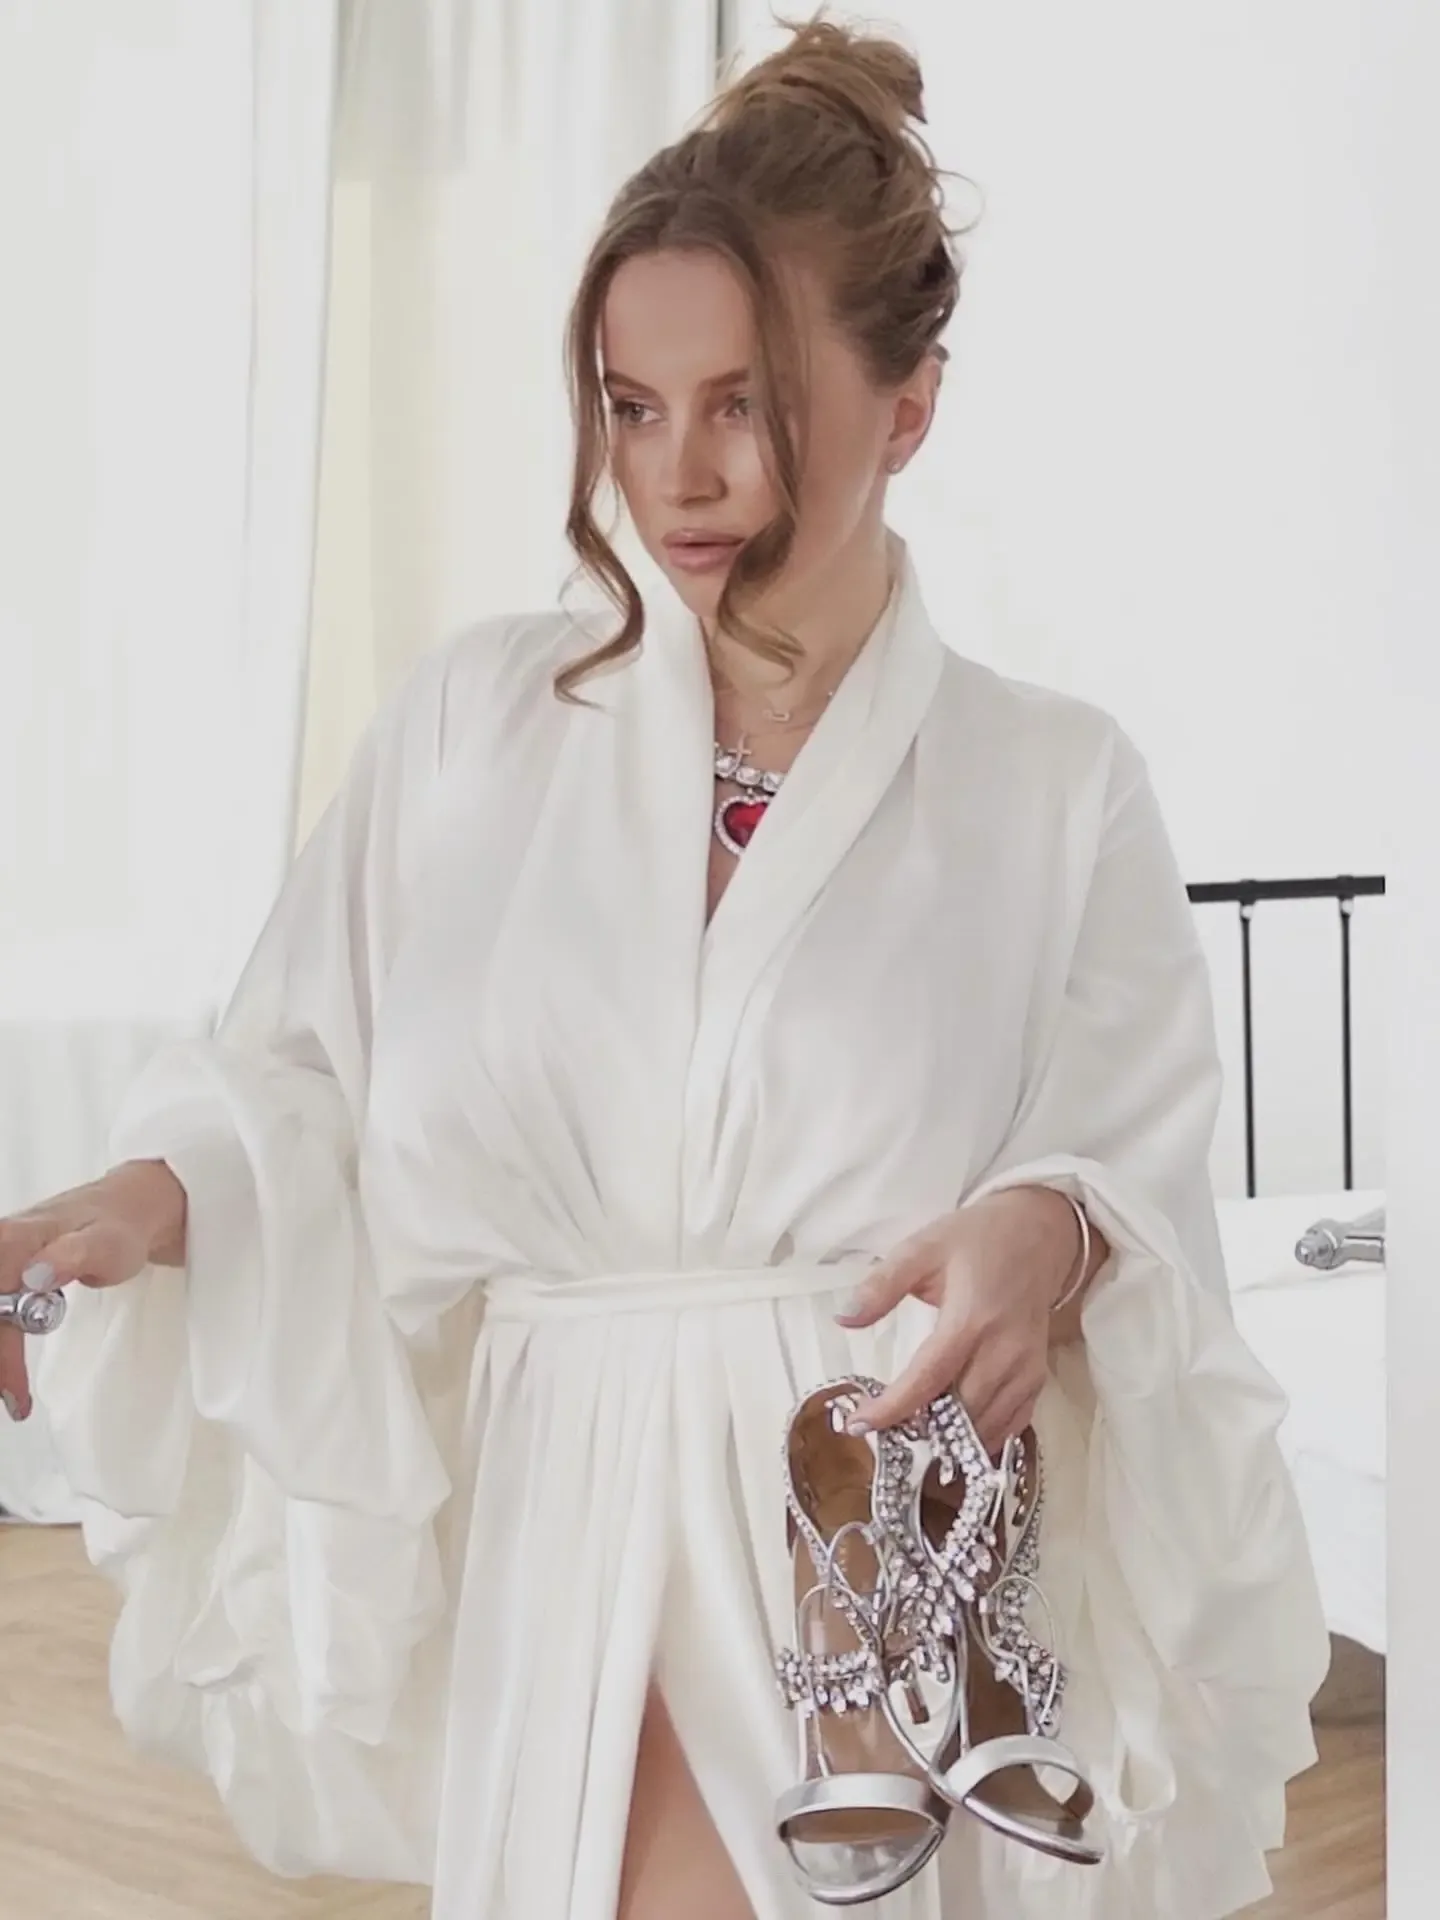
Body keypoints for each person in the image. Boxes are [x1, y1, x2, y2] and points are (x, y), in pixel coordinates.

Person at [1, 17, 1329, 1920]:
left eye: (746, 405)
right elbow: (294, 1075)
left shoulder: (1052, 784)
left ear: (911, 407)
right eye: (633, 406)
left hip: (859, 1553)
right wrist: (142, 1200)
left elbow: (1126, 1150)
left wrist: (1044, 1230)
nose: (678, 477)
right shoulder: (474, 726)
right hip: (559, 1524)